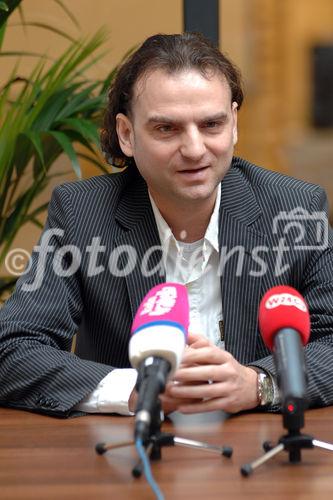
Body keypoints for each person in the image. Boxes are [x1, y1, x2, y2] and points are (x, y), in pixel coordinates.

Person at [0, 33, 332, 418]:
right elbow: (11, 347)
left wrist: (258, 383)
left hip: (256, 456)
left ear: (234, 124)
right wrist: (134, 390)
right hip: (128, 456)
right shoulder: (82, 213)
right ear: (127, 135)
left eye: (211, 124)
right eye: (166, 129)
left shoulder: (294, 209)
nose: (194, 149)